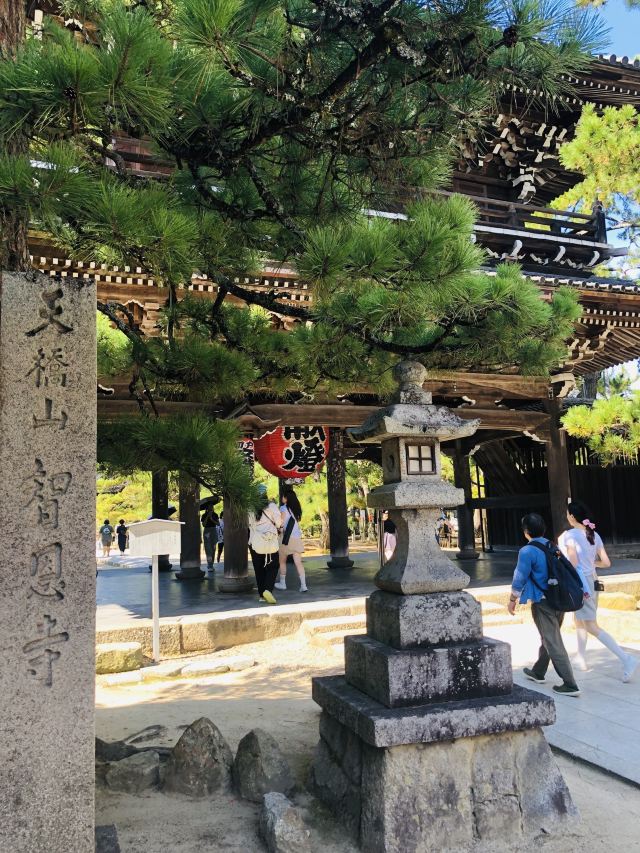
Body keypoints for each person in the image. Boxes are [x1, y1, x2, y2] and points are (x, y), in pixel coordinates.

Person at [559, 501, 638, 683]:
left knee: (591, 625)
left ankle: (626, 659)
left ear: (572, 516)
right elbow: (606, 563)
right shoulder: (594, 534)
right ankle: (581, 658)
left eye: (568, 514)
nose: (567, 516)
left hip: (582, 583)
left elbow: (573, 563)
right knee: (580, 619)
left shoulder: (569, 536)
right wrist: (591, 563)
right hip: (592, 580)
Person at [508, 513, 585, 697]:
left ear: (526, 531)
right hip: (559, 598)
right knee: (548, 636)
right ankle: (538, 671)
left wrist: (512, 599)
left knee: (552, 640)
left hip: (543, 601)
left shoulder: (527, 551)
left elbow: (519, 577)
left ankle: (570, 684)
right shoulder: (551, 545)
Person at [248, 486, 281, 604]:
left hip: (255, 542)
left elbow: (248, 524)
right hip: (269, 540)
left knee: (259, 569)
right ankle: (268, 590)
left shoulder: (250, 507)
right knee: (273, 566)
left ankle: (261, 595)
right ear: (265, 494)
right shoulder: (271, 506)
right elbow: (279, 523)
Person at [275, 488, 308, 592]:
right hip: (297, 538)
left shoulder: (283, 508)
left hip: (286, 538)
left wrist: (278, 529)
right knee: (298, 562)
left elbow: (281, 523)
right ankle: (303, 585)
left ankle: (283, 583)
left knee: (282, 561)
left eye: (283, 496)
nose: (282, 498)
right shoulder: (296, 508)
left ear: (286, 498)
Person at [201, 506, 219, 572]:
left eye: (212, 507)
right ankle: (210, 565)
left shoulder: (215, 515)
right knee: (208, 549)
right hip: (207, 531)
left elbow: (218, 524)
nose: (211, 509)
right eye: (209, 508)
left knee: (213, 549)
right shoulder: (204, 515)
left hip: (213, 531)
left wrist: (211, 519)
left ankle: (211, 564)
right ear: (207, 509)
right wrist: (207, 517)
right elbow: (203, 524)